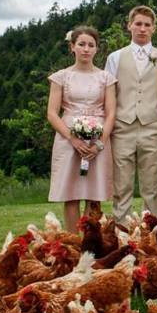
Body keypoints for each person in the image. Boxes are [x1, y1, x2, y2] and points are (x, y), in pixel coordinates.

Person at [105, 5, 157, 224]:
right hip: (122, 128)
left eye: (147, 25)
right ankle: (121, 234)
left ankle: (151, 233)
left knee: (152, 188)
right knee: (121, 186)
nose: (142, 29)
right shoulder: (115, 58)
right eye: (138, 24)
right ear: (129, 26)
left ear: (153, 28)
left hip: (153, 128)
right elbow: (109, 95)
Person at [47, 27, 116, 232]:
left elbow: (111, 113)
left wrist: (100, 143)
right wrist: (72, 139)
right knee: (71, 193)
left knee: (95, 194)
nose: (86, 49)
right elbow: (52, 113)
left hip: (98, 138)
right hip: (68, 138)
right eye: (81, 44)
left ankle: (91, 241)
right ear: (72, 47)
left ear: (96, 49)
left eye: (91, 45)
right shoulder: (61, 77)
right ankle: (73, 240)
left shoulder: (106, 78)